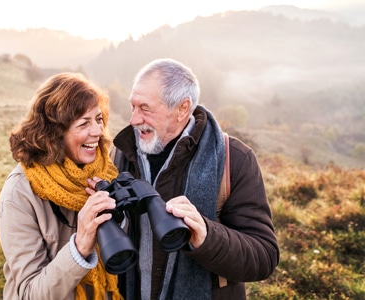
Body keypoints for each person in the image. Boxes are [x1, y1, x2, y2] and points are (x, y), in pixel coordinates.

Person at [89, 58, 279, 299]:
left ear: (182, 108)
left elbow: (264, 257)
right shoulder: (117, 155)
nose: (134, 120)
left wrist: (207, 236)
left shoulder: (235, 159)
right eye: (133, 107)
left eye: (145, 108)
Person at [0, 72, 123, 299]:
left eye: (98, 119)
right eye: (84, 123)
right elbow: (28, 293)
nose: (97, 131)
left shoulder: (108, 171)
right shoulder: (18, 194)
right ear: (55, 133)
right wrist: (80, 246)